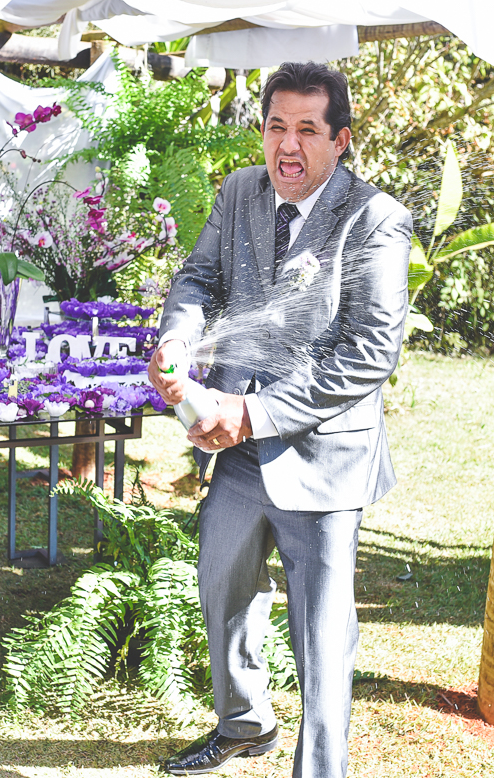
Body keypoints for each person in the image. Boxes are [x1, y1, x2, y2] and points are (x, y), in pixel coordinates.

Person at [148, 62, 411, 778]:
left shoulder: (375, 219)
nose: (286, 146)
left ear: (341, 140)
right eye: (275, 127)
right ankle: (246, 723)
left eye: (306, 130)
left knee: (321, 636)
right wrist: (177, 338)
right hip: (233, 451)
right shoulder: (238, 192)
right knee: (221, 585)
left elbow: (368, 354)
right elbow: (200, 278)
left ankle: (319, 770)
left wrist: (254, 413)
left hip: (324, 459)